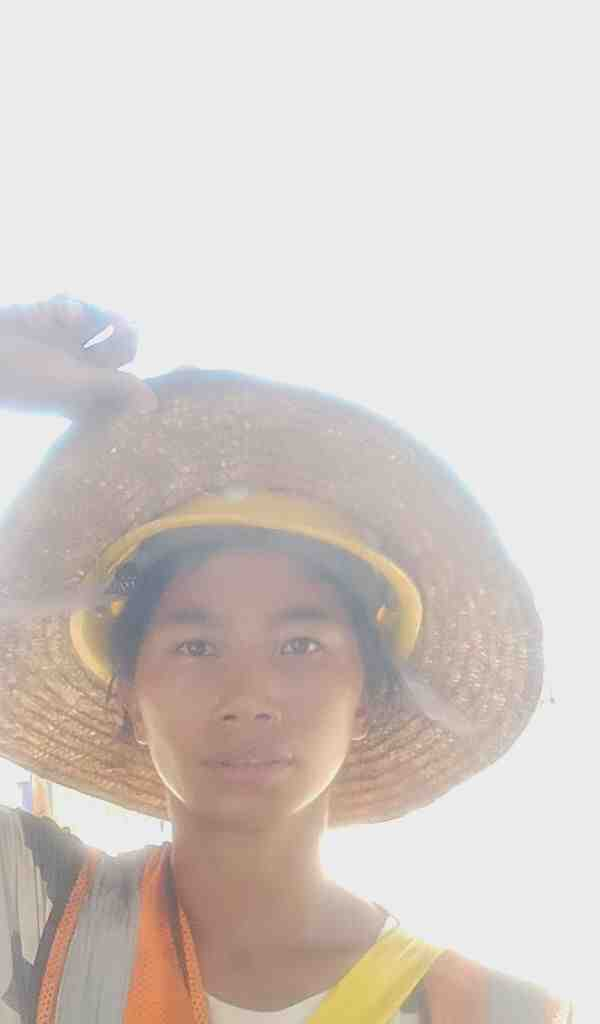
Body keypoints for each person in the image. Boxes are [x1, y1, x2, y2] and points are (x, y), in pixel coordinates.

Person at [0, 296, 573, 1022]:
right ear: (129, 699)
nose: (248, 696)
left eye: (300, 646)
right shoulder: (32, 911)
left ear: (366, 697)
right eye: (196, 646)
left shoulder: (496, 1013)